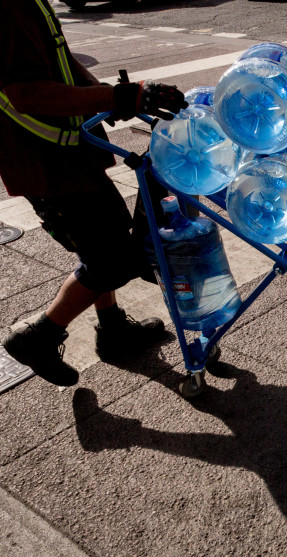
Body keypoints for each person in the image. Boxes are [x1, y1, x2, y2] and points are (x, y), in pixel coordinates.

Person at [0, 0, 188, 386]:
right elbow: (26, 93)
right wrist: (118, 98)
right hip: (45, 158)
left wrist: (118, 95)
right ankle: (38, 336)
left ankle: (113, 328)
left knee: (105, 235)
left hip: (68, 149)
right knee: (111, 261)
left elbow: (61, 57)